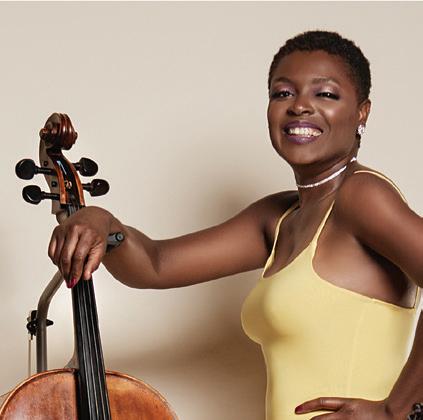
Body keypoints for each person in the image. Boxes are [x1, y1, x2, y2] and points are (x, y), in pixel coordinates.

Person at [48, 31, 423, 420]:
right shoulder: (280, 217)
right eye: (283, 93)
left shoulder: (361, 195)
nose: (299, 106)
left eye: (325, 94)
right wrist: (102, 222)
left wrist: (396, 410)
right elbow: (155, 264)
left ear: (362, 112)